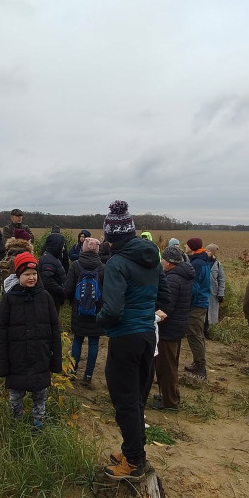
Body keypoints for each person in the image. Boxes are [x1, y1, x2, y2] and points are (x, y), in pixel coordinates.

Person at [97, 200, 169, 481]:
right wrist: (145, 310)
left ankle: (134, 463)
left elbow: (113, 310)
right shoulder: (152, 256)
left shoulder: (117, 262)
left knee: (124, 400)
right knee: (138, 398)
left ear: (111, 236)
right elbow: (165, 296)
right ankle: (132, 452)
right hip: (148, 336)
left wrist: (98, 320)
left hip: (124, 338)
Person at [0, 252, 61, 431]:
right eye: (26, 274)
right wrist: (2, 364)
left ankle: (38, 425)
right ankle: (15, 425)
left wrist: (55, 361)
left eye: (34, 273)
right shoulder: (9, 299)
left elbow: (55, 330)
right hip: (17, 358)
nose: (31, 277)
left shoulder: (45, 298)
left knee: (40, 395)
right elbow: (1, 333)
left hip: (40, 356)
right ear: (18, 276)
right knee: (16, 394)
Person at [150, 245, 193, 411]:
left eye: (163, 260)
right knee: (171, 364)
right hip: (177, 326)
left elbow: (167, 307)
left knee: (166, 367)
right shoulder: (183, 275)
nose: (161, 262)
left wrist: (154, 316)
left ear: (169, 262)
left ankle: (169, 403)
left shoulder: (173, 279)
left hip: (168, 330)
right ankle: (169, 396)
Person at [62, 237, 105, 385]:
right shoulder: (102, 267)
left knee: (77, 341)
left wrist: (70, 303)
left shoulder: (75, 265)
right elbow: (106, 292)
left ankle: (72, 372)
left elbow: (67, 289)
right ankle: (87, 376)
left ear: (83, 248)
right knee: (93, 343)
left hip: (78, 311)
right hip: (96, 312)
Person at [183, 237, 212, 381]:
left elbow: (193, 287)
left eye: (187, 244)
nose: (184, 246)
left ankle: (200, 368)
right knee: (197, 334)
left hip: (196, 304)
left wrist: (187, 304)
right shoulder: (203, 260)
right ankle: (197, 362)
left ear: (192, 247)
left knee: (194, 334)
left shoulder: (197, 263)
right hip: (201, 302)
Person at [39, 234, 68, 309]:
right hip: (52, 298)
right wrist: (62, 290)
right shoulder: (48, 260)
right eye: (62, 245)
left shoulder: (52, 257)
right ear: (57, 245)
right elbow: (47, 281)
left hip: (53, 298)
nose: (63, 248)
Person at [205, 243, 225, 337]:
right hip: (202, 292)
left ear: (212, 253)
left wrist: (221, 293)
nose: (206, 252)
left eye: (208, 251)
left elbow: (221, 279)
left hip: (213, 293)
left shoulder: (218, 264)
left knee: (212, 314)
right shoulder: (202, 262)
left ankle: (210, 332)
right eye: (206, 250)